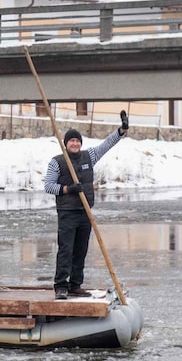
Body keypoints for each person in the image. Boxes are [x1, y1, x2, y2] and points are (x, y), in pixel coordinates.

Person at [43, 111, 130, 300]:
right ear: (66, 144)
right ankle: (61, 286)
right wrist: (68, 189)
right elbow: (48, 186)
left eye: (77, 141)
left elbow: (106, 145)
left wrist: (121, 130)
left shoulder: (89, 156)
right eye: (71, 141)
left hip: (85, 212)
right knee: (66, 249)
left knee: (81, 250)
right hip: (67, 212)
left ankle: (75, 285)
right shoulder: (57, 162)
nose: (75, 143)